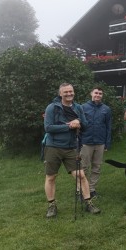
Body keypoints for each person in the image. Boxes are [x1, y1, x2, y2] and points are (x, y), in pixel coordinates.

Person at [43, 83, 100, 218]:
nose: (69, 94)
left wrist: (78, 121)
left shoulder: (78, 108)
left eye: (71, 91)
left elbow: (85, 126)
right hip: (53, 147)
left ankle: (88, 203)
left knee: (80, 175)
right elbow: (48, 128)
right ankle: (51, 205)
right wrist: (69, 126)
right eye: (66, 92)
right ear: (60, 94)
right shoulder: (52, 108)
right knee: (51, 177)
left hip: (71, 148)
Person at [80, 87, 112, 199]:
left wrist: (107, 143)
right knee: (83, 167)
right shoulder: (83, 107)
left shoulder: (106, 109)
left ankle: (92, 189)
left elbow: (108, 127)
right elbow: (78, 125)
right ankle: (81, 190)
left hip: (100, 142)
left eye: (100, 93)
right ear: (91, 93)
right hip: (86, 142)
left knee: (96, 167)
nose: (98, 95)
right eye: (96, 93)